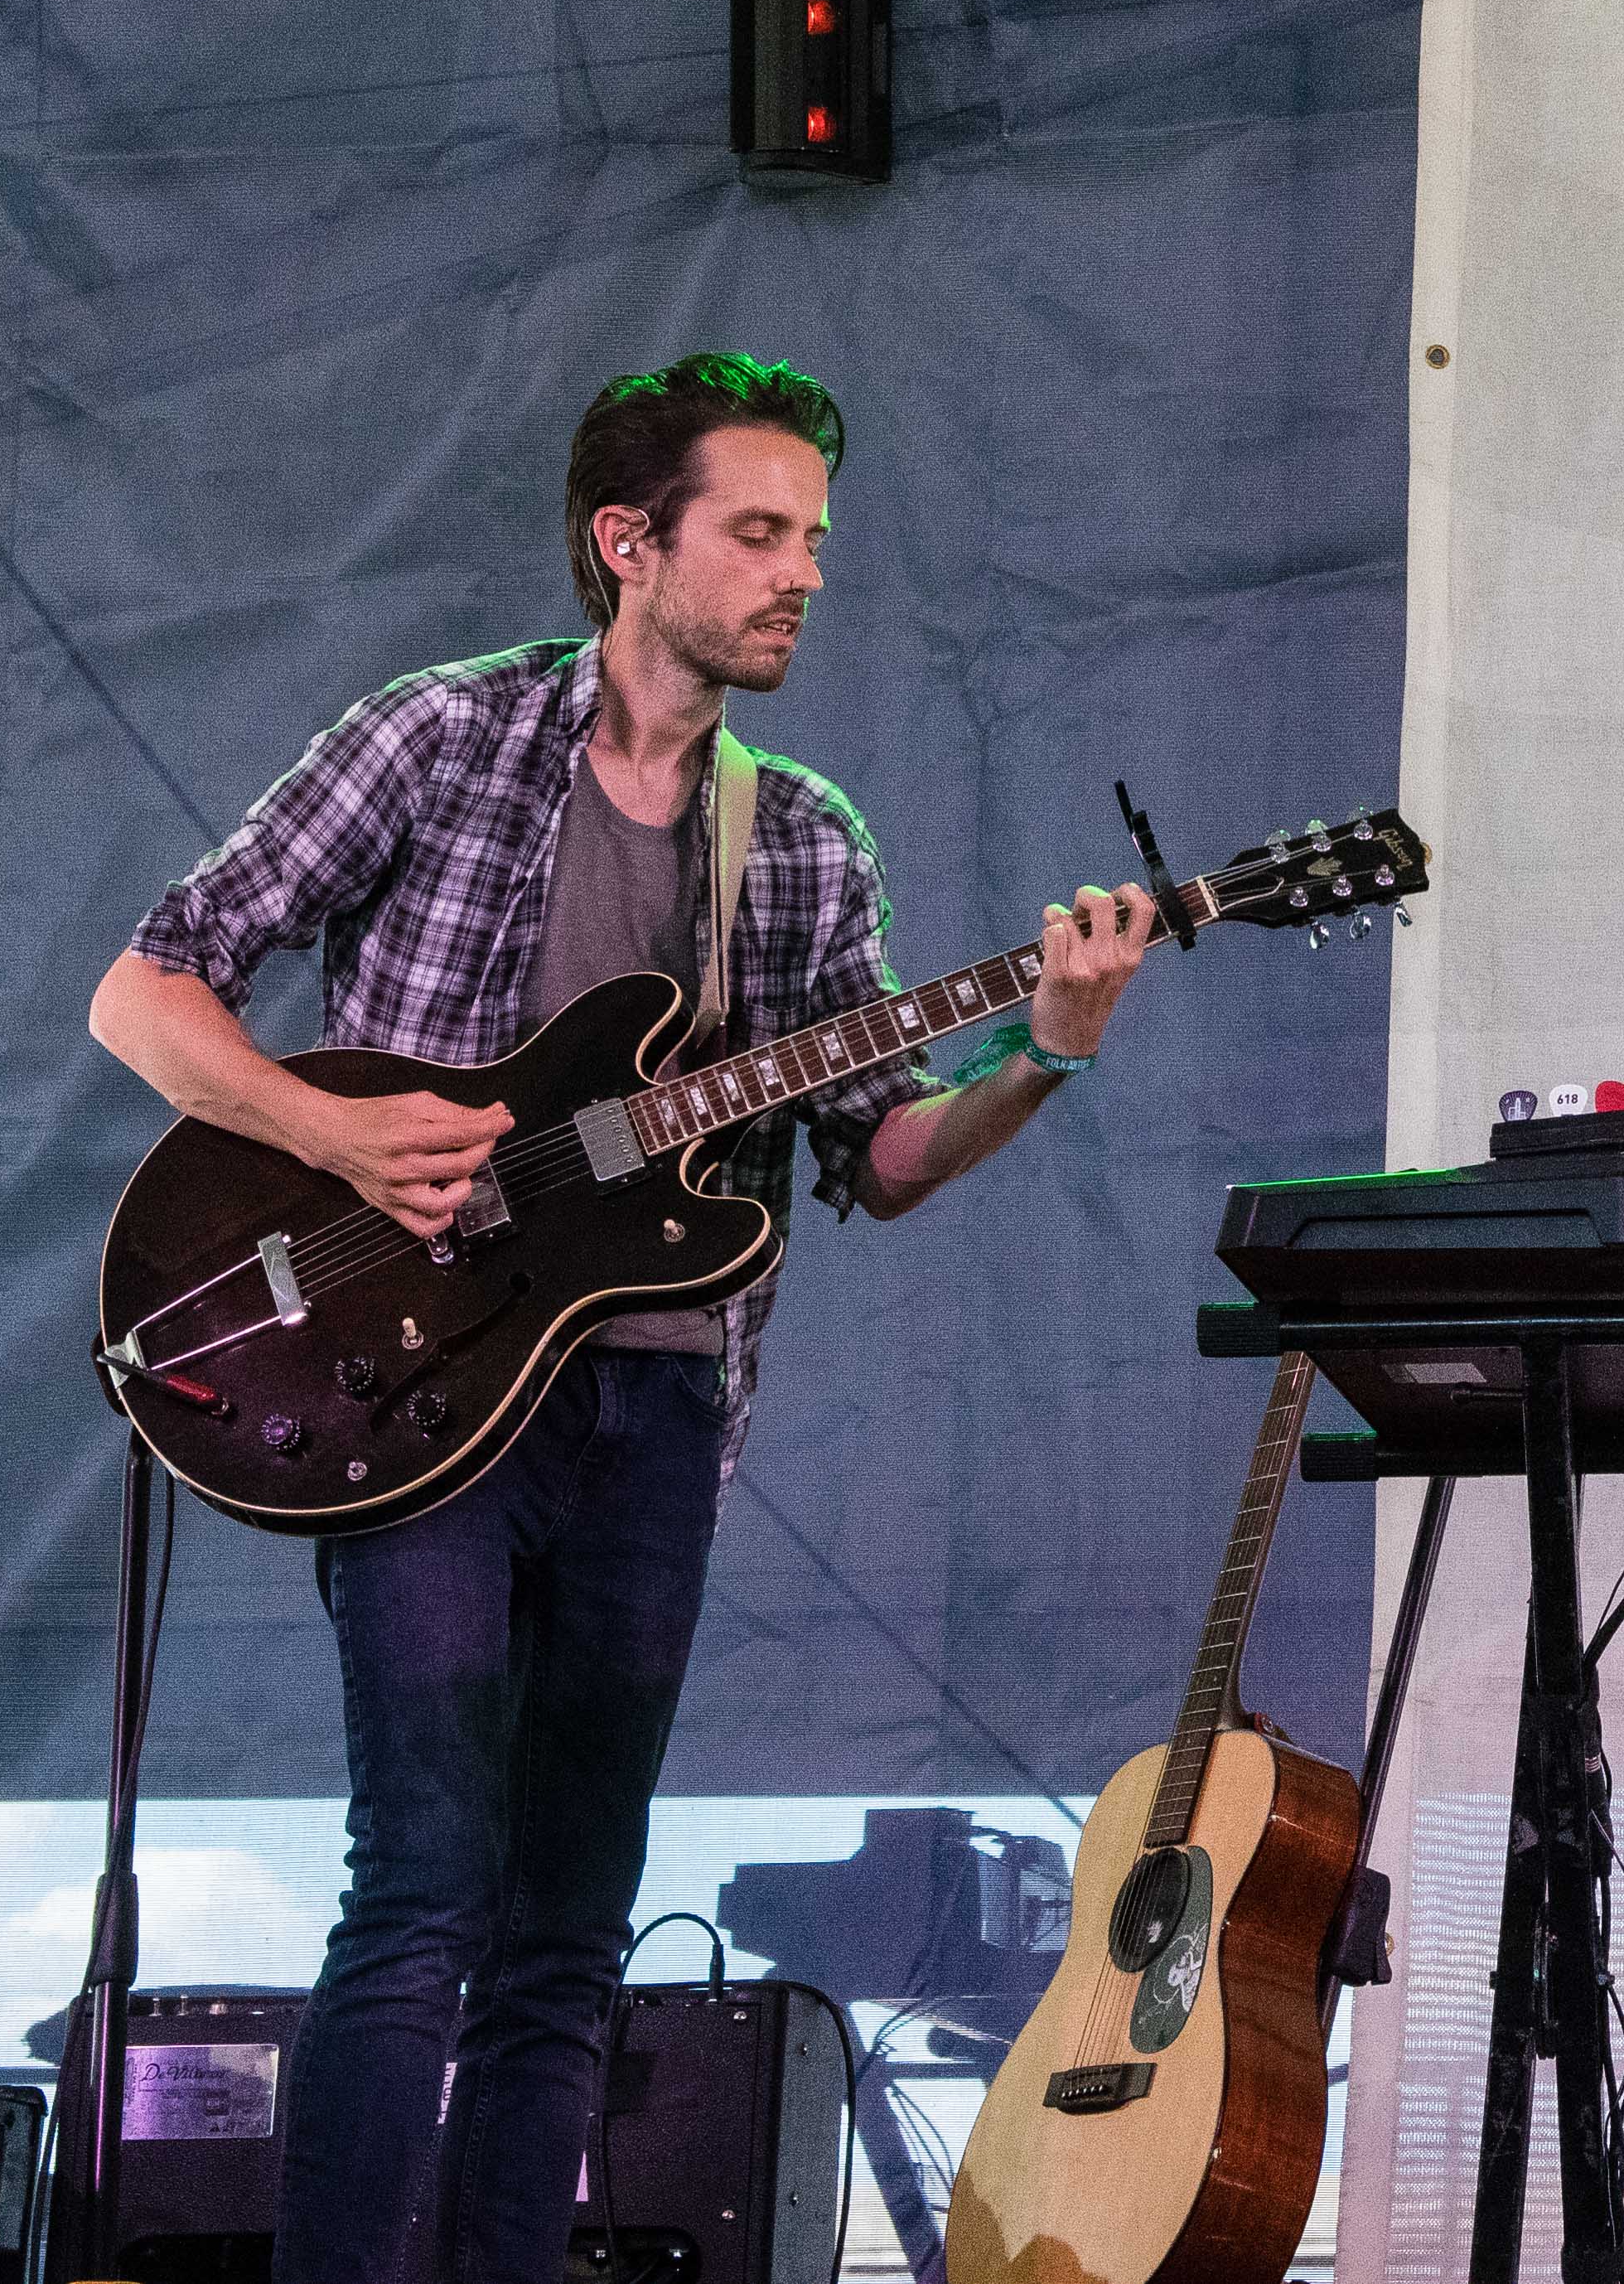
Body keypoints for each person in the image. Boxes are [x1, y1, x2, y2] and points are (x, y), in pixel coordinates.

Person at [87, 351, 1159, 2284]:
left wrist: (1049, 1047)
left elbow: (884, 1154)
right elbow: (145, 988)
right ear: (628, 543)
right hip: (413, 1383)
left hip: (652, 1410)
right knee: (422, 1887)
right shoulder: (437, 738)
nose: (803, 570)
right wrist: (335, 1131)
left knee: (569, 1929)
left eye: (814, 536)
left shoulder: (799, 837)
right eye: (759, 530)